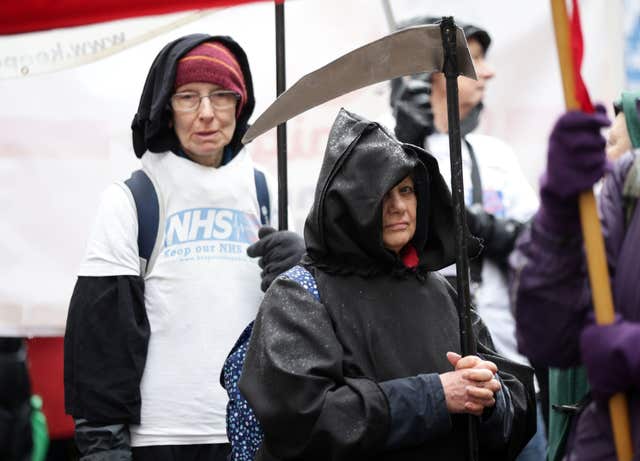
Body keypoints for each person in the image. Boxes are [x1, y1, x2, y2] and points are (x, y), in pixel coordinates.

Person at [239, 108, 536, 461]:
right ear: (347, 203)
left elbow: (514, 400)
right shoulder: (301, 294)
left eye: (407, 190)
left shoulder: (440, 291)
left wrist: (488, 396)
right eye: (381, 193)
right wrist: (435, 396)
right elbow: (305, 418)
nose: (399, 207)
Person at [63, 34, 304, 461]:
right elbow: (99, 333)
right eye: (188, 97)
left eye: (221, 96)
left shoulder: (265, 188)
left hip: (253, 433)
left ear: (241, 103)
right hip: (160, 437)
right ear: (165, 107)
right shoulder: (133, 197)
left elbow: (302, 326)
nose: (207, 113)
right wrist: (103, 447)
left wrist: (302, 270)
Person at [389, 16, 546, 459]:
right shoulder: (393, 149)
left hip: (512, 372)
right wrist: (409, 144)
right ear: (430, 75)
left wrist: (481, 226)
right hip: (435, 378)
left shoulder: (495, 154)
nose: (488, 72)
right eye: (473, 60)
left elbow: (537, 239)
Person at [511, 92, 640, 460]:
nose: (606, 157)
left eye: (614, 144)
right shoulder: (629, 187)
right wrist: (558, 215)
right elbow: (546, 335)